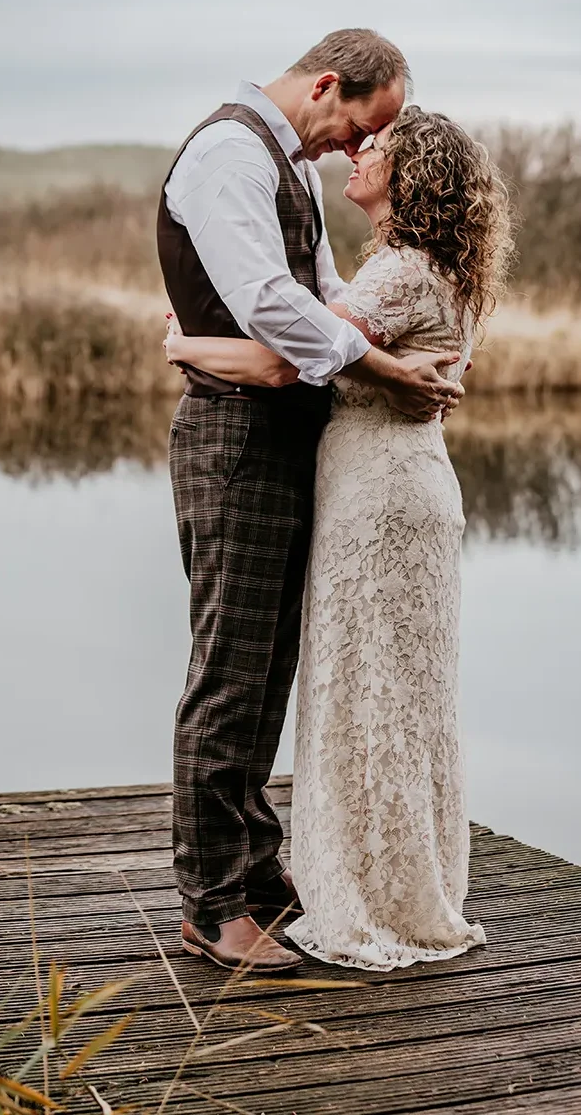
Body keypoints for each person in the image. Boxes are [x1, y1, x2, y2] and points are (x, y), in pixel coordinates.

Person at [166, 105, 513, 971]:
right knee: (399, 695)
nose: (357, 153)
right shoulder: (434, 270)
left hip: (378, 501)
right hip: (410, 490)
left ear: (412, 176)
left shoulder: (398, 273)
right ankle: (394, 882)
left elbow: (285, 361)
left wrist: (183, 342)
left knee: (363, 693)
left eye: (377, 146)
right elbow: (326, 330)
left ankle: (362, 893)